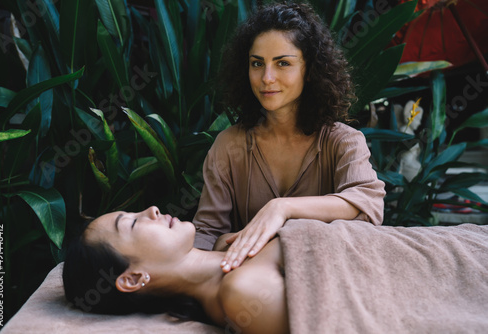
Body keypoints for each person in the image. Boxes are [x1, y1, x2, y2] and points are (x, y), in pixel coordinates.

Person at [192, 2, 386, 272]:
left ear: (310, 70)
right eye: (257, 63)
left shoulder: (343, 141)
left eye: (283, 63)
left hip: (329, 281)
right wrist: (227, 243)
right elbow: (206, 235)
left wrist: (282, 209)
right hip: (249, 289)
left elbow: (368, 203)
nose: (267, 78)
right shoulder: (228, 145)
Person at [63, 206, 289, 334]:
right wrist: (284, 208)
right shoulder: (242, 293)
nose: (152, 210)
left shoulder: (226, 243)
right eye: (132, 223)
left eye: (134, 212)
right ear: (133, 278)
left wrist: (280, 208)